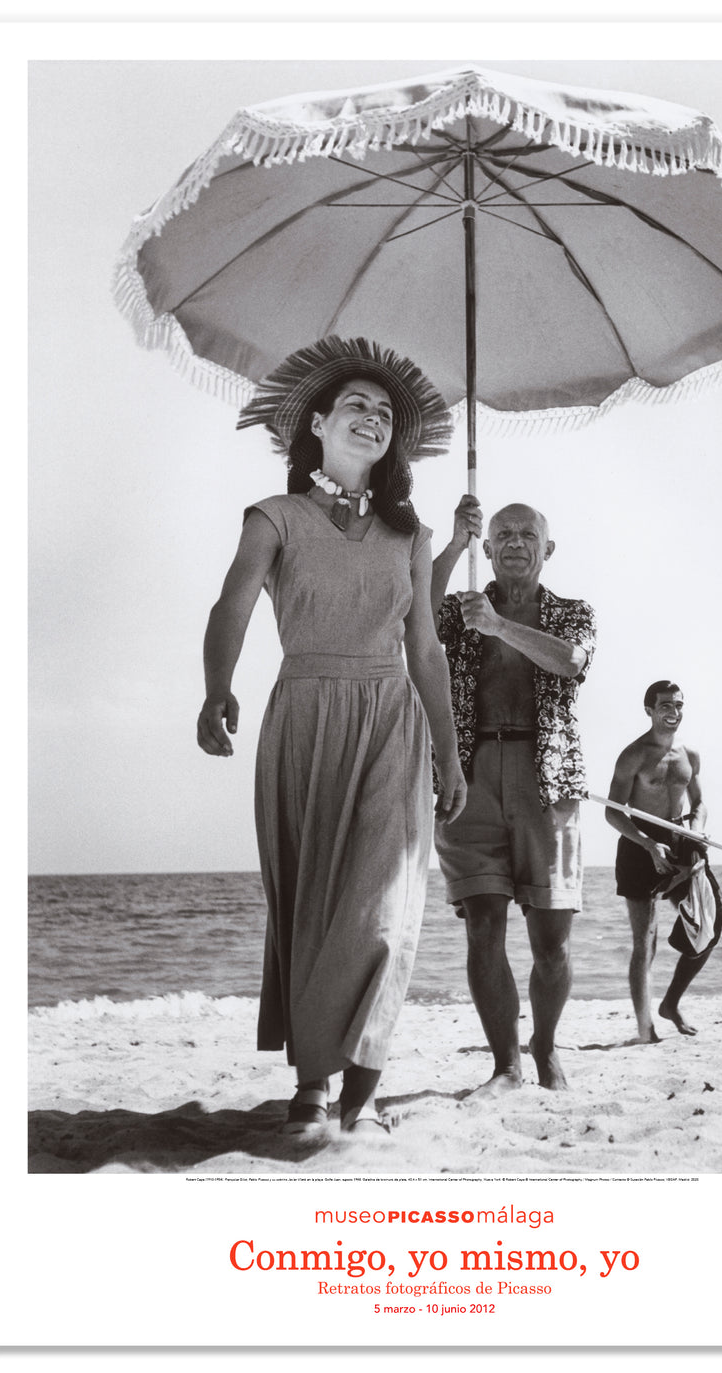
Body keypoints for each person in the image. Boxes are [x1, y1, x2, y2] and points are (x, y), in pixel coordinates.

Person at [197, 336, 466, 1138]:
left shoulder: (411, 537)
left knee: (385, 906)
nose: (372, 418)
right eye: (356, 404)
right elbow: (232, 607)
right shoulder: (273, 517)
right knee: (313, 904)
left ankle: (368, 1067)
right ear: (316, 423)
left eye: (385, 413)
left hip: (390, 719)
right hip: (305, 715)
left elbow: (425, 649)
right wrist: (217, 688)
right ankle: (314, 1080)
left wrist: (449, 751)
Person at [431, 495, 597, 1095]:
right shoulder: (463, 608)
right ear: (489, 547)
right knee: (482, 925)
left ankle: (545, 1045)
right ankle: (505, 1064)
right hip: (469, 774)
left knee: (552, 940)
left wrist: (499, 626)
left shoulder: (573, 612)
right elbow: (412, 616)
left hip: (546, 777)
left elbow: (572, 663)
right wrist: (452, 545)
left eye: (528, 535)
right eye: (502, 535)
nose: (515, 543)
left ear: (547, 548)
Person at [606, 680, 722, 1043]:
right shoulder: (634, 755)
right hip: (639, 843)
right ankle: (645, 1030)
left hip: (681, 838)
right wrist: (646, 843)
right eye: (665, 707)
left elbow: (699, 803)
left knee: (710, 925)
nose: (673, 713)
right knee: (646, 941)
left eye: (678, 706)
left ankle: (670, 1003)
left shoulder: (690, 755)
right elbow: (613, 813)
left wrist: (697, 829)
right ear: (649, 710)